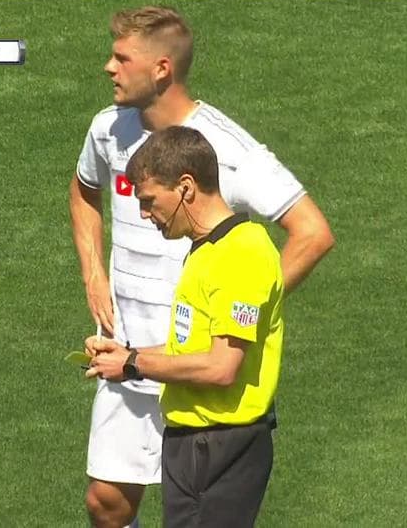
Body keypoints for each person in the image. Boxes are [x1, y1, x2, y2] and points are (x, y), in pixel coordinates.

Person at [69, 6, 334, 527]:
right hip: (129, 350)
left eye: (122, 58)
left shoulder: (228, 150)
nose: (108, 67)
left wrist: (245, 311)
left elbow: (312, 232)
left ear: (161, 69)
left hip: (196, 365)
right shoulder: (108, 129)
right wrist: (93, 274)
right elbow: (83, 190)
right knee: (106, 504)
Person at [85, 125, 284, 526]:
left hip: (220, 448)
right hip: (194, 444)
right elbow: (191, 348)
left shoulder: (241, 254)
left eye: (149, 200)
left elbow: (221, 367)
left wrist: (134, 364)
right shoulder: (206, 250)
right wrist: (126, 356)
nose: (145, 214)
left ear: (186, 188)